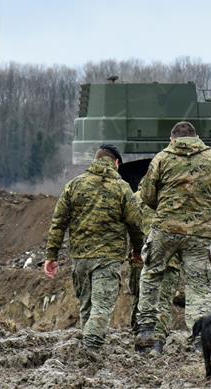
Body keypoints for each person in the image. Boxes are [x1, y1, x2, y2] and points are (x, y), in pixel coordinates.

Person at [134, 121, 211, 351]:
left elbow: (147, 195)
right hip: (200, 232)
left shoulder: (161, 158)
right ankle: (201, 339)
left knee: (151, 274)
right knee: (199, 285)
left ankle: (147, 329)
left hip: (165, 230)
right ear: (196, 137)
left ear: (173, 139)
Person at [44, 144, 144, 350]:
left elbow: (58, 223)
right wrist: (137, 249)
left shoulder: (74, 185)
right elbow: (135, 224)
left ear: (95, 160)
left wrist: (51, 256)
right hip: (108, 259)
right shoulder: (122, 188)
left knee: (87, 307)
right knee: (102, 307)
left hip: (80, 258)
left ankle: (86, 353)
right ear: (116, 163)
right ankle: (89, 348)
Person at [128, 190, 181, 344]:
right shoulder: (176, 197)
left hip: (142, 257)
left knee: (141, 298)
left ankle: (140, 334)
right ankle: (158, 341)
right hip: (170, 258)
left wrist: (135, 249)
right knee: (163, 301)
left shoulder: (136, 198)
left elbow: (131, 226)